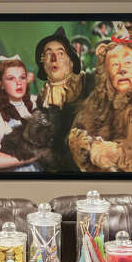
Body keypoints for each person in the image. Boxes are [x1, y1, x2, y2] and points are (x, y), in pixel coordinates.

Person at [69, 35, 132, 172]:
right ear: (107, 73)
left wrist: (110, 153)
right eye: (115, 64)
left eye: (128, 63)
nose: (122, 70)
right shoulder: (96, 103)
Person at [33, 26, 93, 172]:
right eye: (49, 54)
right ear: (43, 63)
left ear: (71, 61)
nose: (54, 59)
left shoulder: (88, 83)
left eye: (61, 53)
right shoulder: (42, 98)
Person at [0, 56, 41, 172]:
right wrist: (33, 156)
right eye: (11, 78)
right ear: (1, 84)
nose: (18, 83)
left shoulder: (36, 105)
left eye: (22, 78)